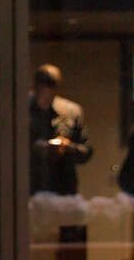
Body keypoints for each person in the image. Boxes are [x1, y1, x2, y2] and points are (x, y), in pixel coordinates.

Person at [28, 63, 91, 197]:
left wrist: (68, 147)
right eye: (44, 82)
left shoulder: (72, 111)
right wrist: (42, 148)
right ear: (35, 84)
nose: (47, 89)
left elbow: (86, 151)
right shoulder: (20, 110)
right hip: (28, 188)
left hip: (63, 188)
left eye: (52, 84)